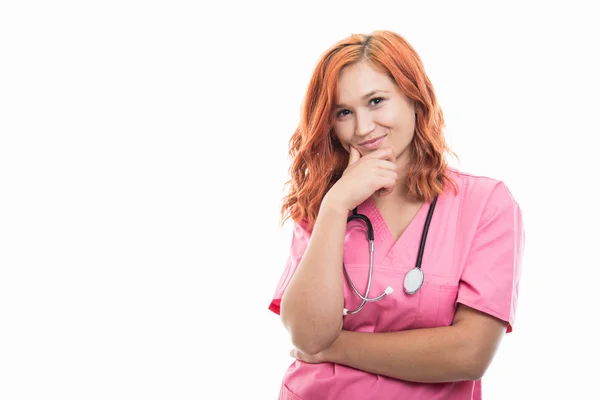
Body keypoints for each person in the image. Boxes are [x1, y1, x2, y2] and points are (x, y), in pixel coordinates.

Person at [268, 30, 525, 400]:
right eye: (344, 112)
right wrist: (336, 205)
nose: (362, 128)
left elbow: (470, 354)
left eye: (376, 101)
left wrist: (335, 349)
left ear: (415, 99)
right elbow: (306, 335)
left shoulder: (486, 204)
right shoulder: (324, 204)